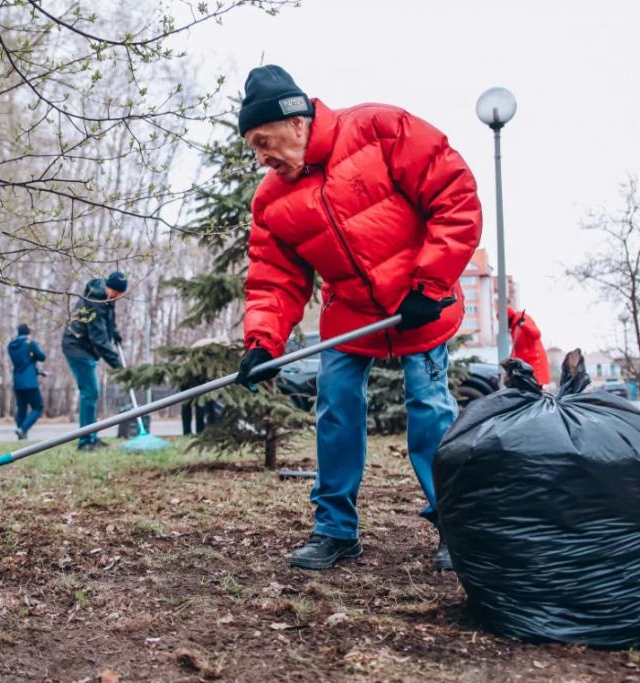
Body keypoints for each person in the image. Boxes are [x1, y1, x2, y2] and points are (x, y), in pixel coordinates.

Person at [233, 65, 481, 572]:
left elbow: (454, 198)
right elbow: (273, 278)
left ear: (297, 122)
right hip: (351, 317)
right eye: (252, 147)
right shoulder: (271, 200)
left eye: (264, 141)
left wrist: (430, 283)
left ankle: (457, 526)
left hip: (419, 303)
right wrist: (263, 342)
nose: (260, 157)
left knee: (430, 408)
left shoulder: (379, 129)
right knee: (337, 411)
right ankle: (335, 530)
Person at [61, 271, 127, 451]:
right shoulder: (95, 303)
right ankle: (85, 441)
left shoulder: (107, 299)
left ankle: (92, 437)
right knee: (90, 392)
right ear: (109, 287)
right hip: (77, 346)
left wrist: (115, 334)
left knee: (92, 393)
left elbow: (109, 322)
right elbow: (99, 340)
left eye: (120, 295)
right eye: (116, 293)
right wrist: (118, 366)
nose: (117, 297)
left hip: (85, 347)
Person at [8, 323, 46, 440]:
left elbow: (23, 361)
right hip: (30, 382)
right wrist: (34, 354)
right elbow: (42, 357)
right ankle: (23, 428)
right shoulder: (30, 343)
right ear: (28, 332)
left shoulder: (11, 345)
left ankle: (21, 436)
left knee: (22, 408)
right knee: (38, 407)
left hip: (17, 381)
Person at [506, 307, 551, 387]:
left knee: (535, 386)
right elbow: (517, 349)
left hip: (535, 361)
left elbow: (536, 334)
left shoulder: (523, 320)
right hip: (525, 363)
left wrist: (524, 325)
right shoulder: (513, 328)